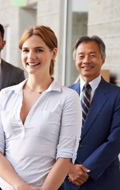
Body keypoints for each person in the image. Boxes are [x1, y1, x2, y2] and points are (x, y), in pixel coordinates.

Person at [0, 25, 82, 190]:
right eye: (25, 50)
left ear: (54, 53)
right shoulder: (5, 95)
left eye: (38, 50)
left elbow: (66, 156)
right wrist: (20, 186)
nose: (31, 56)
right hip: (5, 187)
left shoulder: (67, 97)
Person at [63, 35, 120, 190]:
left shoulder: (117, 95)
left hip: (103, 179)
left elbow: (115, 139)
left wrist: (86, 169)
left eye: (92, 55)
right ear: (75, 60)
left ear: (103, 59)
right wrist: (68, 167)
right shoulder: (64, 94)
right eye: (81, 56)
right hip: (66, 179)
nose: (86, 61)